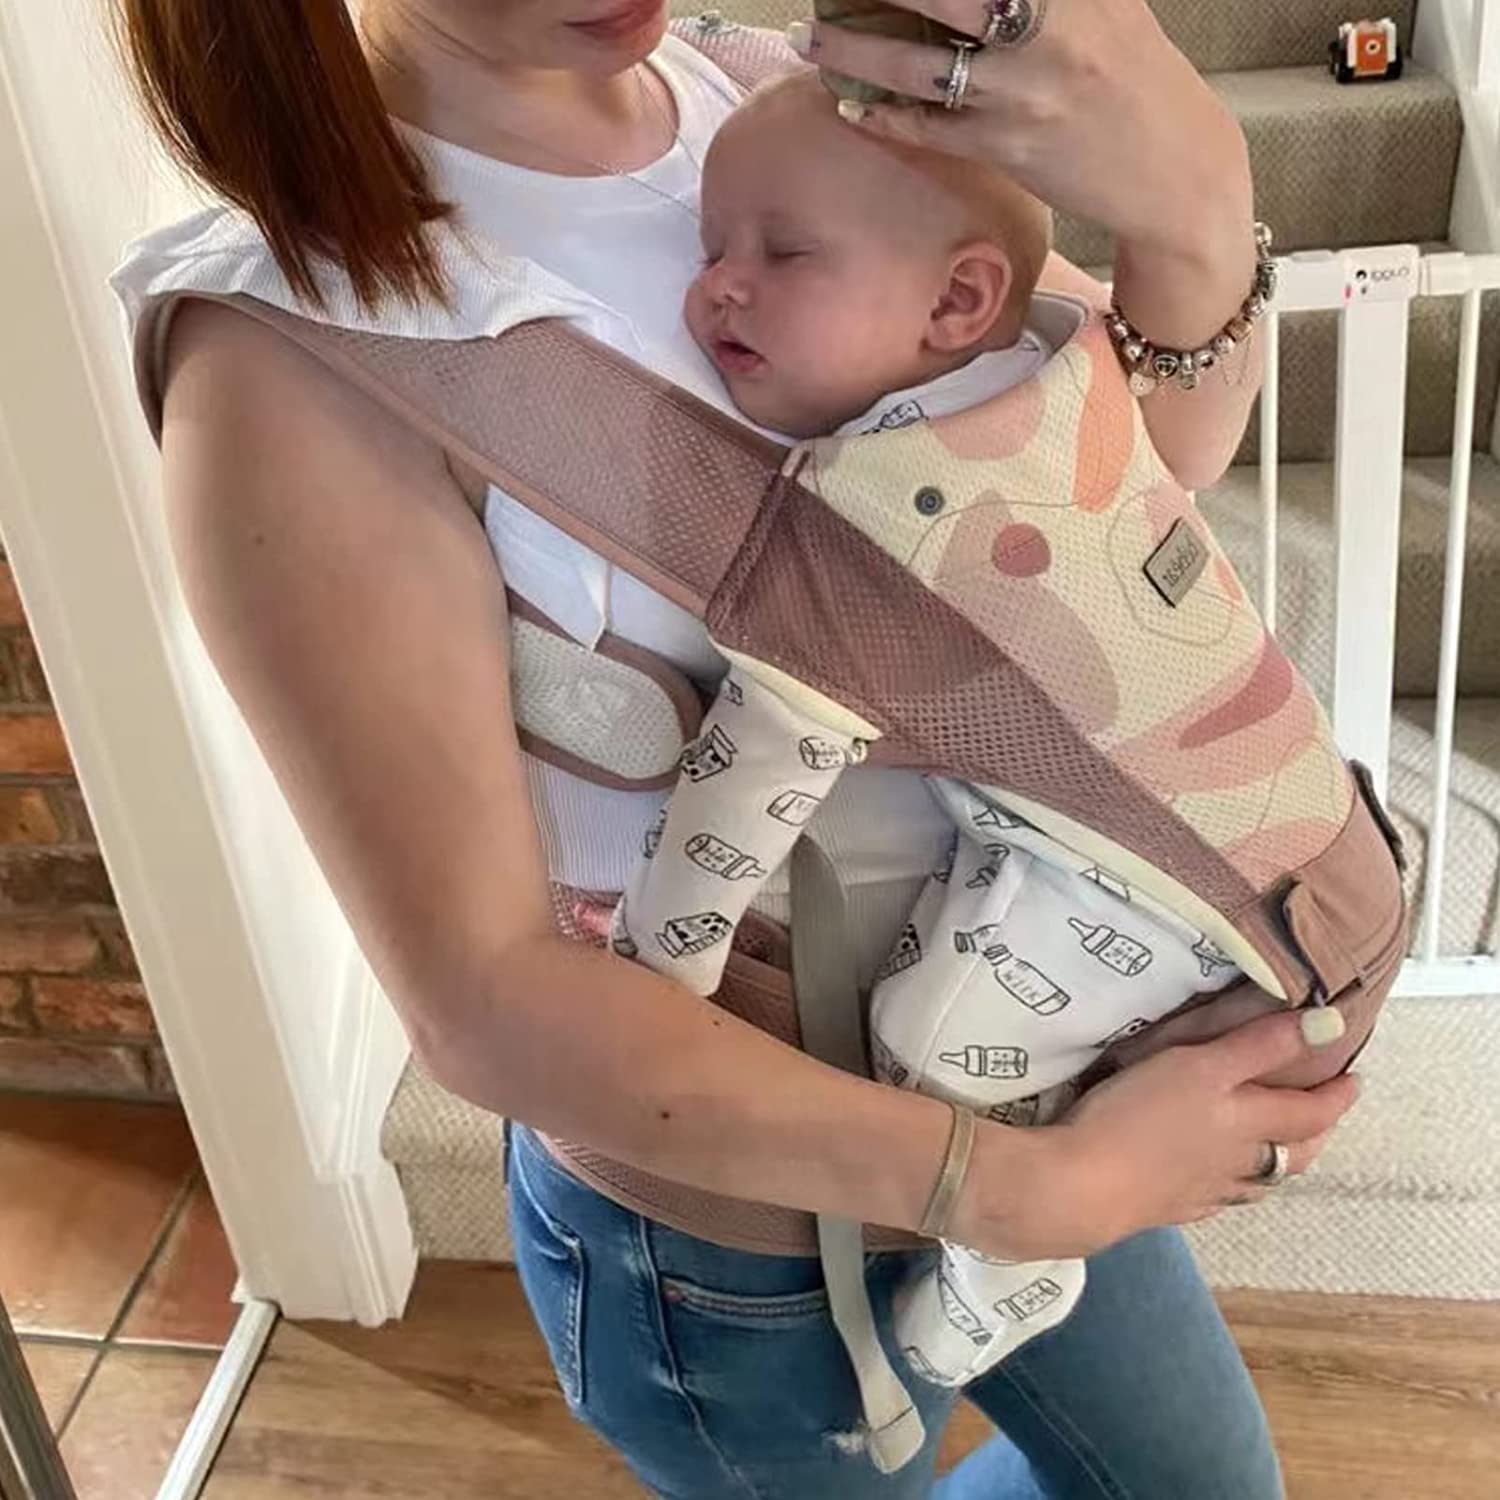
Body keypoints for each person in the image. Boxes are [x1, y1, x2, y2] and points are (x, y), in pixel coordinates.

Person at [109, 2, 1367, 1495]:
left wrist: (1199, 201)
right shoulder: (298, 359)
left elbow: (1132, 480)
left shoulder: (768, 91)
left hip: (1035, 1061)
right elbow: (484, 1003)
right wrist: (1036, 1193)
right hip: (735, 1231)